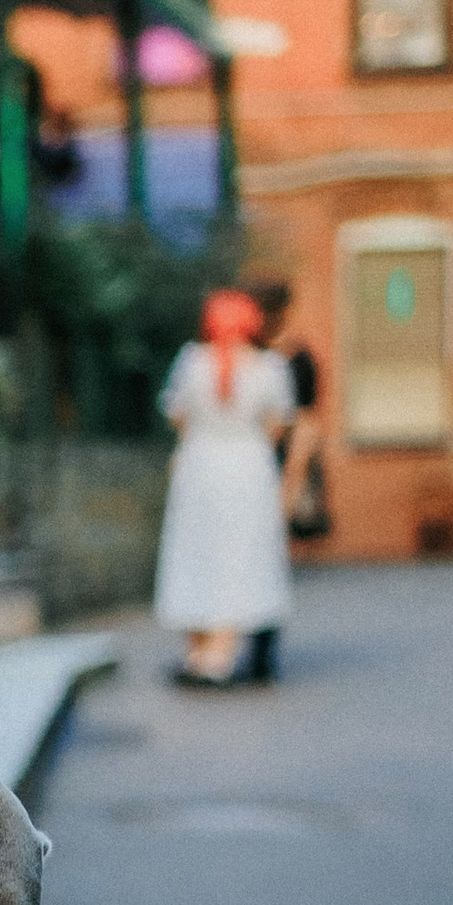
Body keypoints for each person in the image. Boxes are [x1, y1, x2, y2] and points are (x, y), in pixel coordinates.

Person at [154, 287, 294, 686]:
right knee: (241, 556)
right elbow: (277, 425)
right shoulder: (270, 367)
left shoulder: (191, 361)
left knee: (197, 553)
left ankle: (200, 653)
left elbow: (178, 415)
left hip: (201, 466)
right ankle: (223, 653)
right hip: (248, 469)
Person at [248, 277, 326, 684]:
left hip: (278, 466)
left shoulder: (297, 360)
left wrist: (291, 484)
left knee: (270, 556)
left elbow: (306, 425)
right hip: (248, 468)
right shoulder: (249, 358)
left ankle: (262, 649)